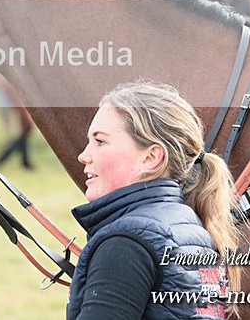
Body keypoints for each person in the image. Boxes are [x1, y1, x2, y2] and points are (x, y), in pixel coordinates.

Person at [67, 81, 239, 319]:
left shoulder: (126, 243)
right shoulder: (189, 226)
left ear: (150, 158)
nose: (84, 156)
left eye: (100, 141)